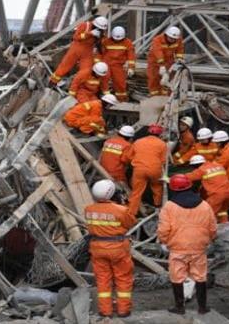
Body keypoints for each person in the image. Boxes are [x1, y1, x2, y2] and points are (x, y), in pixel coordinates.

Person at [158, 174, 216, 315]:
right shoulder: (204, 205)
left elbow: (164, 228)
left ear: (173, 189)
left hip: (177, 248)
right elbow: (213, 227)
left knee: (177, 277)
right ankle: (202, 308)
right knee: (200, 276)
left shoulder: (169, 207)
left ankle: (180, 307)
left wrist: (163, 241)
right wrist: (209, 240)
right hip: (199, 247)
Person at [85, 179, 136, 318]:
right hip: (118, 248)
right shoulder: (121, 210)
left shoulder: (88, 209)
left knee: (102, 280)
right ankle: (123, 310)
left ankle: (105, 311)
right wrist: (123, 203)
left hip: (97, 248)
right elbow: (130, 223)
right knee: (123, 278)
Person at [50, 16, 109, 85]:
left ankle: (80, 86)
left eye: (101, 29)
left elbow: (101, 44)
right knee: (65, 65)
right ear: (94, 24)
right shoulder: (85, 25)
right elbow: (75, 37)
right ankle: (53, 81)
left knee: (86, 69)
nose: (99, 29)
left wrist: (100, 38)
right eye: (98, 28)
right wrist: (89, 34)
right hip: (76, 48)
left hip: (87, 51)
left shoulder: (101, 32)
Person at [123, 124, 167, 215]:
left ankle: (131, 213)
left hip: (139, 169)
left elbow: (129, 156)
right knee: (157, 187)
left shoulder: (138, 141)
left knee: (136, 192)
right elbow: (163, 161)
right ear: (160, 134)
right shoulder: (162, 144)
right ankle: (157, 207)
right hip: (155, 169)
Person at [185, 155, 229, 223]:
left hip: (217, 194)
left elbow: (188, 177)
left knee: (208, 213)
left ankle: (208, 230)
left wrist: (170, 179)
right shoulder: (218, 165)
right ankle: (225, 226)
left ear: (196, 165)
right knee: (222, 211)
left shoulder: (201, 169)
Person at [101, 26, 136, 101]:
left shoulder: (127, 43)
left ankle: (121, 99)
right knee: (104, 79)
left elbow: (131, 56)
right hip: (107, 64)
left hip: (119, 66)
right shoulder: (106, 41)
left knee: (120, 83)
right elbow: (101, 53)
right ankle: (106, 97)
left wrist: (131, 67)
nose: (116, 41)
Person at [147, 26, 184, 96]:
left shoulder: (178, 40)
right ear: (166, 35)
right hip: (154, 62)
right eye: (171, 38)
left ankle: (166, 97)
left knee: (168, 80)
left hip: (169, 62)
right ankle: (154, 97)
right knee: (153, 79)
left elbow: (180, 49)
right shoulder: (157, 40)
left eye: (174, 39)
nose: (172, 40)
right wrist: (161, 65)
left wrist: (179, 57)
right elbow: (158, 52)